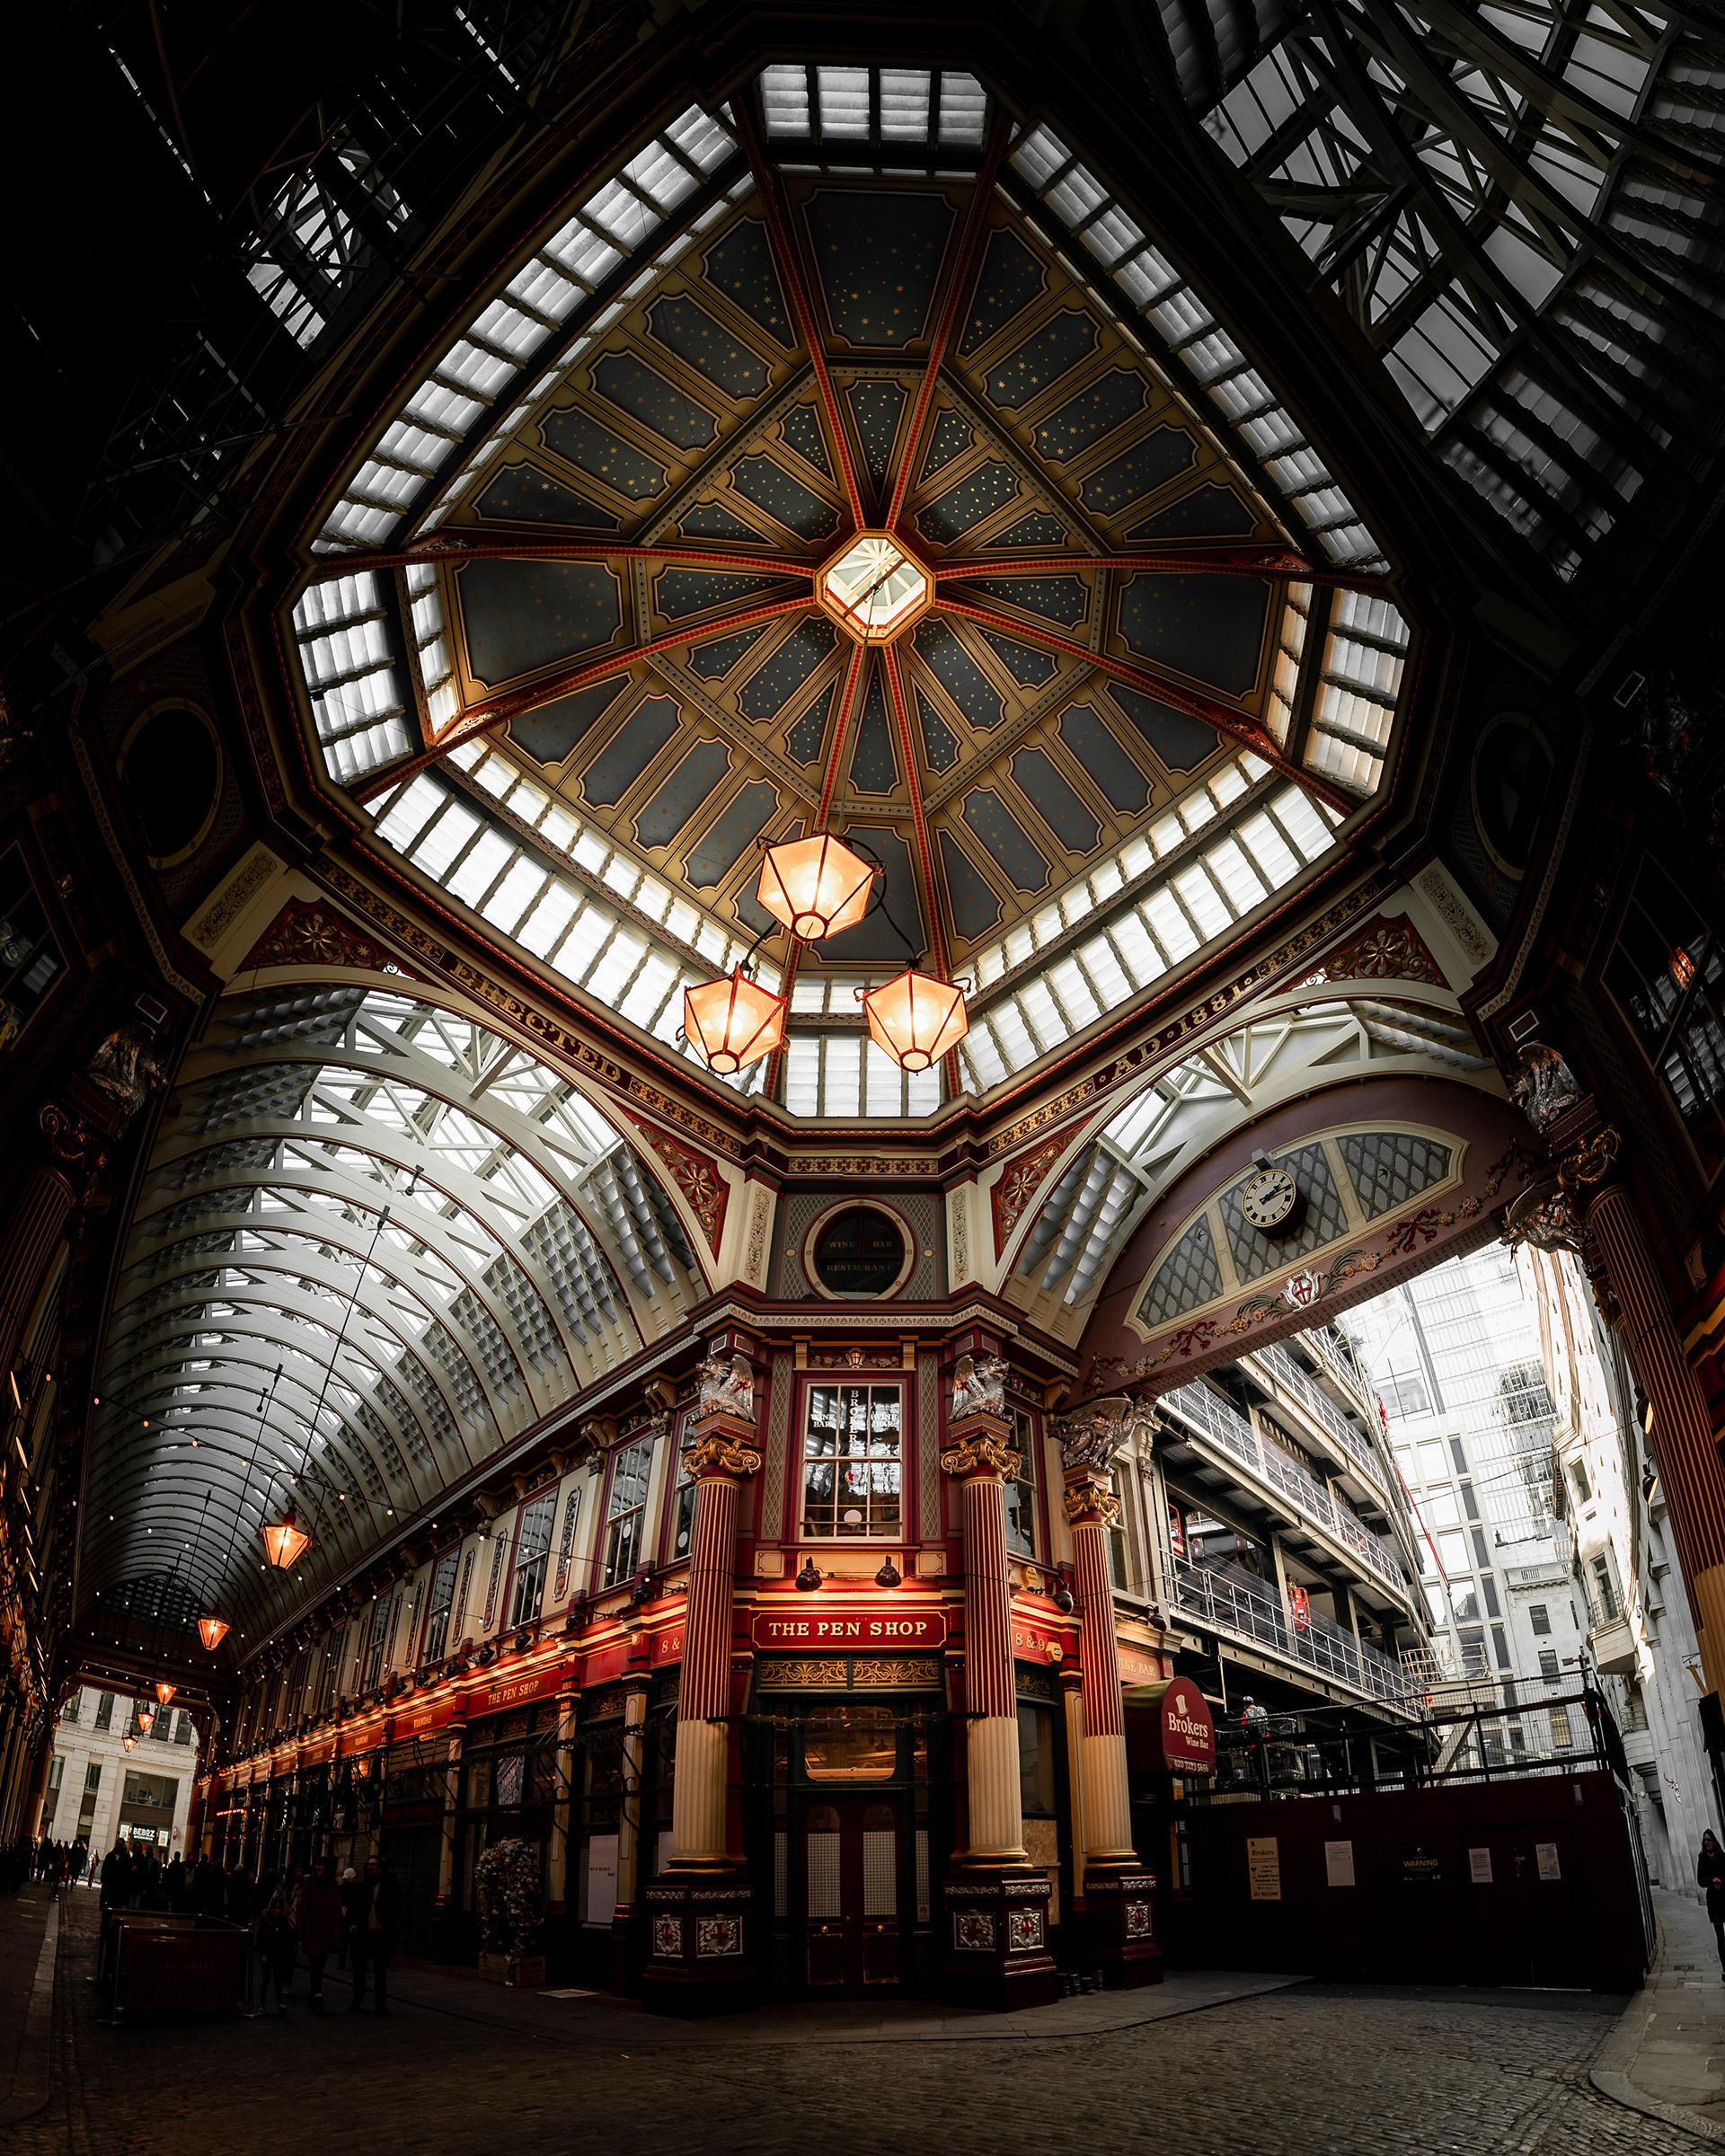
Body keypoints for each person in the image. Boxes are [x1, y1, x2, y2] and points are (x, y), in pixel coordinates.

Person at [348, 1853, 399, 2015]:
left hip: (379, 1933)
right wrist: (354, 1923)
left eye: (373, 1864)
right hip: (363, 1933)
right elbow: (356, 1907)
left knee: (380, 1971)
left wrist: (384, 1924)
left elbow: (393, 1907)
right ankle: (358, 1998)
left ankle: (380, 2004)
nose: (370, 1867)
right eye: (368, 1864)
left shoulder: (387, 1886)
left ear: (380, 1868)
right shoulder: (364, 1886)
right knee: (359, 1969)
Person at [297, 1859, 341, 2016]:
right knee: (314, 1966)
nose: (317, 1867)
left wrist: (336, 1935)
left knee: (319, 1968)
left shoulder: (334, 1887)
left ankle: (313, 1997)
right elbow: (303, 1909)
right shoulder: (310, 1885)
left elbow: (336, 1912)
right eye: (316, 1865)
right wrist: (300, 1934)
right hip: (311, 1933)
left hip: (326, 1934)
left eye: (321, 1865)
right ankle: (318, 1997)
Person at [255, 1878, 298, 2017]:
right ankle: (263, 2003)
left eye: (278, 1908)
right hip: (267, 1955)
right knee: (266, 1980)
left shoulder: (283, 1922)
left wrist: (287, 1952)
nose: (276, 1911)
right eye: (274, 1908)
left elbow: (285, 1940)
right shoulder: (267, 1922)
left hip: (278, 1955)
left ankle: (279, 2003)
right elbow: (260, 1939)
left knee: (278, 1980)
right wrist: (261, 1954)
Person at [1699, 1831, 1725, 1972]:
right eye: (1705, 1840)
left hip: (1724, 1898)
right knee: (1720, 1935)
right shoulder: (1702, 1858)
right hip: (1714, 1902)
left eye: (1709, 1840)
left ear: (1714, 1841)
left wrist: (1721, 1881)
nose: (1707, 1843)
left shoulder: (1722, 1856)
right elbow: (1700, 1880)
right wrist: (1711, 1881)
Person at [336, 1867, 359, 1970]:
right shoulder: (358, 1888)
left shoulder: (341, 1887)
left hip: (343, 1916)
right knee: (354, 1941)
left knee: (343, 1941)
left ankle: (342, 1963)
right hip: (354, 1916)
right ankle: (354, 1961)